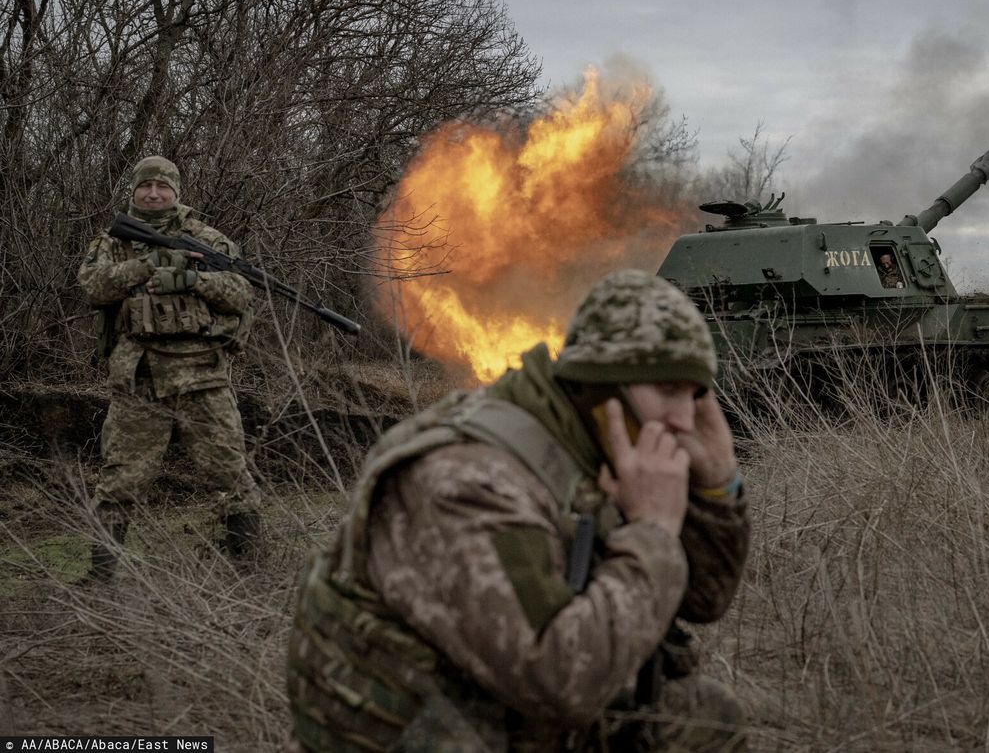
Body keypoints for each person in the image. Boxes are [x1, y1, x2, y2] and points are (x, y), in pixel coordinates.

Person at [287, 269, 751, 752]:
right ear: (602, 386)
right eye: (668, 390)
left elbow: (703, 598)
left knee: (704, 718)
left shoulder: (597, 444)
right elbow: (559, 683)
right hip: (426, 732)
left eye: (695, 394)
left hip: (499, 709)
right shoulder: (469, 480)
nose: (684, 418)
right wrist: (653, 531)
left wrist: (719, 483)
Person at [78, 155, 261, 581]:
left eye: (164, 187)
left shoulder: (206, 238)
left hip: (204, 375)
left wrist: (192, 280)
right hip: (139, 377)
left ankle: (250, 569)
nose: (155, 193)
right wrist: (148, 266)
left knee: (230, 471)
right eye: (147, 186)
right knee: (120, 479)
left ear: (176, 193)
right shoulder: (111, 241)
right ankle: (99, 577)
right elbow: (92, 286)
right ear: (135, 191)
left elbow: (240, 293)